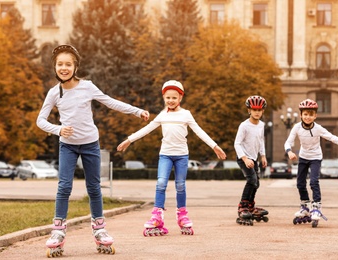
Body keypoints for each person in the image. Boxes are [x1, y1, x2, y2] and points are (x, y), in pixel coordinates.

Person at [37, 44, 150, 256]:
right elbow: (40, 121)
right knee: (64, 186)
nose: (64, 68)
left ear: (75, 66)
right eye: (60, 64)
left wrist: (136, 111)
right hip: (67, 146)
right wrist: (59, 130)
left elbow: (110, 102)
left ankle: (99, 228)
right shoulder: (54, 93)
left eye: (68, 64)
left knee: (94, 187)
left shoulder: (87, 86)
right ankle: (58, 230)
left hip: (90, 144)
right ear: (55, 67)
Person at [117, 80, 226, 236]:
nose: (171, 100)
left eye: (174, 98)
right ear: (164, 98)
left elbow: (199, 131)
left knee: (180, 185)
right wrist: (129, 140)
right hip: (165, 155)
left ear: (180, 98)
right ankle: (157, 216)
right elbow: (147, 129)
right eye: (168, 97)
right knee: (161, 183)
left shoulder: (186, 114)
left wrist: (214, 146)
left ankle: (182, 215)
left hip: (181, 156)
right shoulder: (162, 115)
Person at [284, 99, 338, 228]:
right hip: (303, 157)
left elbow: (332, 137)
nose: (308, 117)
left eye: (311, 114)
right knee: (300, 183)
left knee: (313, 182)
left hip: (316, 158)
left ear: (315, 116)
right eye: (305, 114)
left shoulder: (318, 128)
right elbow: (288, 142)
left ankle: (316, 207)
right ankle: (305, 207)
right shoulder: (296, 127)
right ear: (301, 115)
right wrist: (289, 151)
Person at [234, 95, 269, 226]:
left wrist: (263, 156)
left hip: (254, 158)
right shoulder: (244, 126)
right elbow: (237, 144)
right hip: (243, 158)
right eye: (254, 110)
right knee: (252, 180)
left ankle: (250, 205)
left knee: (256, 183)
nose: (257, 112)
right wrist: (245, 158)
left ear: (263, 111)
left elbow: (261, 141)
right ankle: (242, 206)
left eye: (259, 110)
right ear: (249, 110)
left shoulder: (261, 125)